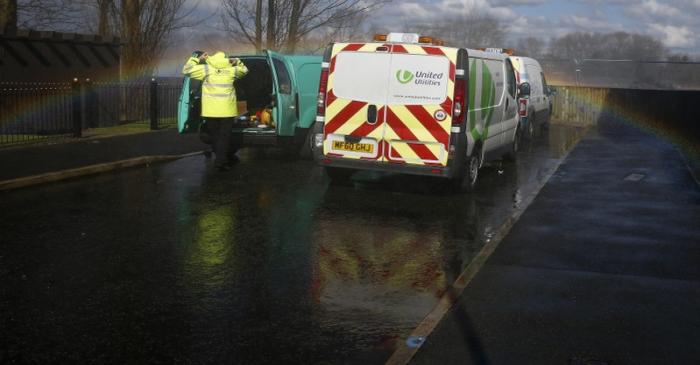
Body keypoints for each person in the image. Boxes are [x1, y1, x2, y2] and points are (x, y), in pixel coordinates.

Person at [182, 51, 248, 170]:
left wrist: (196, 58)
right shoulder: (232, 70)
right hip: (227, 111)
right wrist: (237, 61)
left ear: (212, 58)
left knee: (215, 136)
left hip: (210, 111)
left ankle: (220, 160)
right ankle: (221, 161)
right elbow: (245, 70)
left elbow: (186, 70)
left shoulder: (206, 69)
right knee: (224, 137)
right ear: (226, 59)